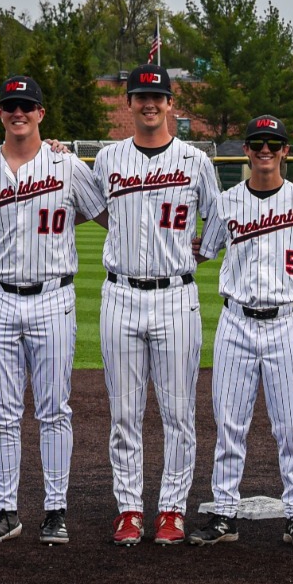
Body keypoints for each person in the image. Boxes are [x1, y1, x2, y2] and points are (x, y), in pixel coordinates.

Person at [0, 76, 105, 546]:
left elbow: (107, 213)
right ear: (0, 113)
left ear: (41, 113)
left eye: (27, 106)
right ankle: (5, 509)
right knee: (2, 411)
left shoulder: (67, 165)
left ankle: (55, 509)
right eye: (10, 106)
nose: (19, 113)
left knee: (55, 408)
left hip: (54, 295)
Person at [189, 115, 293, 550]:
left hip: (287, 324)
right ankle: (223, 513)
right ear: (247, 150)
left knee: (290, 427)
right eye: (257, 143)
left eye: (273, 143)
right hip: (235, 321)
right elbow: (207, 248)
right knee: (229, 424)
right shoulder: (227, 203)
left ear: (285, 151)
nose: (265, 151)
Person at [91, 65, 220, 546]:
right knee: (124, 412)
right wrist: (123, 233)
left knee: (178, 412)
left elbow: (221, 216)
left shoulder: (195, 160)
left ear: (171, 102)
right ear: (129, 102)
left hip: (176, 295)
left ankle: (171, 509)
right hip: (120, 293)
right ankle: (128, 508)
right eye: (141, 95)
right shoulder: (108, 158)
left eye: (158, 96)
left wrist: (203, 252)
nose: (149, 103)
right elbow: (91, 204)